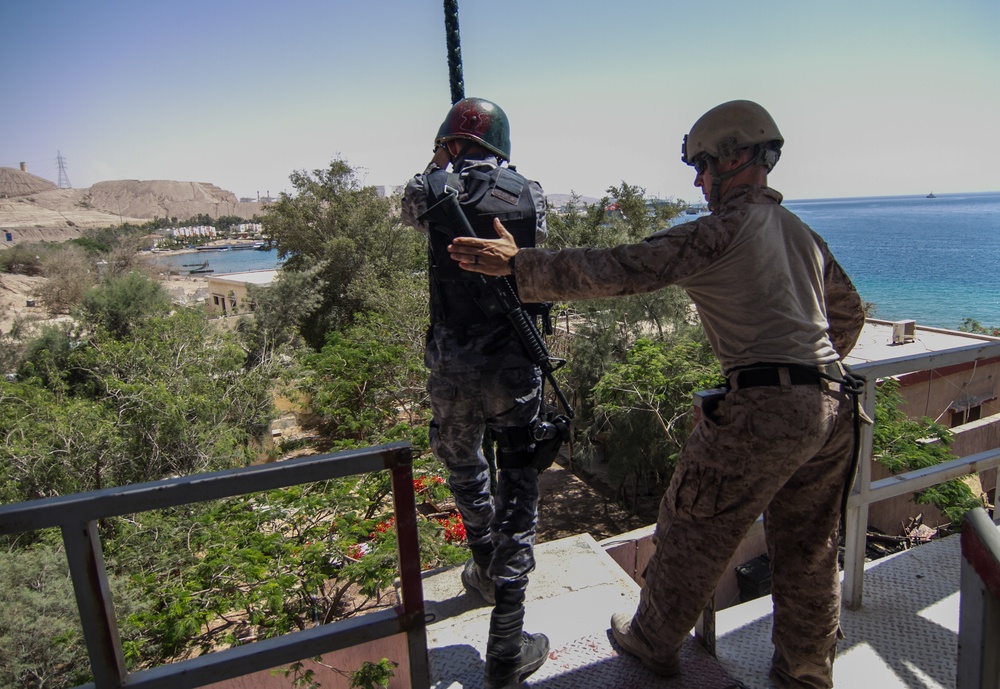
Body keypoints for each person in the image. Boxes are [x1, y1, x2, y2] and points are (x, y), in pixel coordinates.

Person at [448, 100, 866, 689]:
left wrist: (521, 266)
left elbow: (623, 268)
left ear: (737, 156)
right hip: (833, 407)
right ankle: (804, 671)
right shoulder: (802, 233)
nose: (698, 181)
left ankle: (651, 640)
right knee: (810, 549)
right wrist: (797, 378)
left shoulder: (721, 230)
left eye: (702, 165)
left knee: (694, 526)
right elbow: (846, 318)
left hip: (768, 410)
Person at [400, 97, 550, 689]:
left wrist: (443, 161)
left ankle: (485, 560)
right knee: (520, 482)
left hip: (454, 364)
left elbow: (414, 203)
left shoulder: (429, 189)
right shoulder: (532, 192)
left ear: (451, 141)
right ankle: (508, 638)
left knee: (465, 466)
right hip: (515, 362)